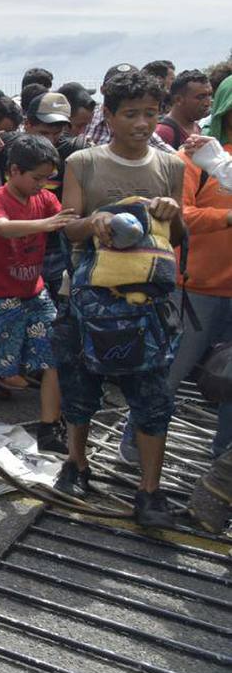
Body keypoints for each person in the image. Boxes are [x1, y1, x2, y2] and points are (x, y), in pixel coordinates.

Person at [53, 69, 185, 528]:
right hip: (87, 299)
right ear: (108, 115)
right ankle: (77, 462)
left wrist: (172, 212)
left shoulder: (171, 166)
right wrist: (95, 222)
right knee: (79, 386)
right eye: (131, 114)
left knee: (151, 398)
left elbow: (179, 235)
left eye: (151, 113)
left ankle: (150, 491)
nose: (143, 124)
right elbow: (67, 226)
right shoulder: (83, 163)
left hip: (147, 308)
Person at [0, 135, 74, 452]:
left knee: (53, 357)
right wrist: (46, 224)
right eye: (36, 178)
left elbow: (66, 221)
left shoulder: (45, 200)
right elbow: (3, 227)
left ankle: (50, 426)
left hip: (34, 294)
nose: (42, 185)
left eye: (47, 178)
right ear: (13, 171)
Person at [148, 74, 232, 464]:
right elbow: (178, 216)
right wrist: (228, 218)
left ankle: (223, 461)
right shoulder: (196, 158)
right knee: (170, 374)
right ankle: (137, 445)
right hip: (197, 289)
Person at [155, 69, 213, 148]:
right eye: (200, 97)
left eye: (209, 95)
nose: (207, 103)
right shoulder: (163, 132)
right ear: (178, 100)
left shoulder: (196, 127)